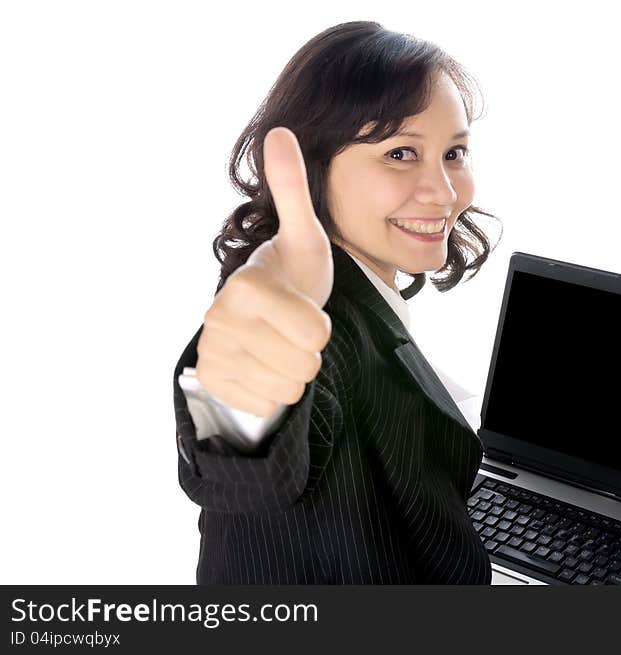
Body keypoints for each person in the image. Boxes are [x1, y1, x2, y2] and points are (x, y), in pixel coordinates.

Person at [173, 21, 503, 584]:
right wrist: (236, 396)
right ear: (311, 167)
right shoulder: (312, 323)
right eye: (400, 153)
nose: (445, 192)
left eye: (454, 153)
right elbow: (242, 471)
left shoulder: (366, 297)